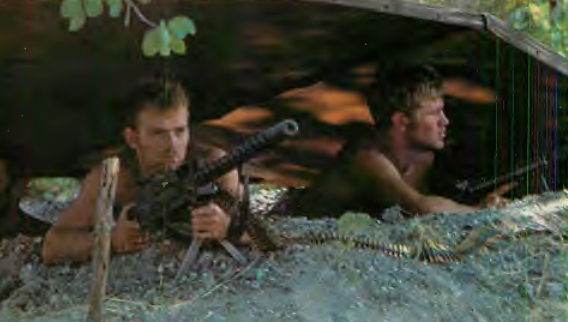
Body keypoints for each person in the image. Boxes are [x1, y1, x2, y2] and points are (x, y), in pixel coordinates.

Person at [41, 78, 246, 265]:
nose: (172, 145)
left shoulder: (214, 166)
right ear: (132, 138)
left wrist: (228, 228)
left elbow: (263, 236)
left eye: (180, 131)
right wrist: (112, 239)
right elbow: (52, 247)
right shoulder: (117, 178)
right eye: (158, 133)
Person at [273, 64, 514, 218]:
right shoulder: (367, 158)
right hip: (301, 228)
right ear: (402, 121)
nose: (445, 121)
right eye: (434, 113)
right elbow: (421, 208)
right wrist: (478, 211)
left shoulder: (425, 156)